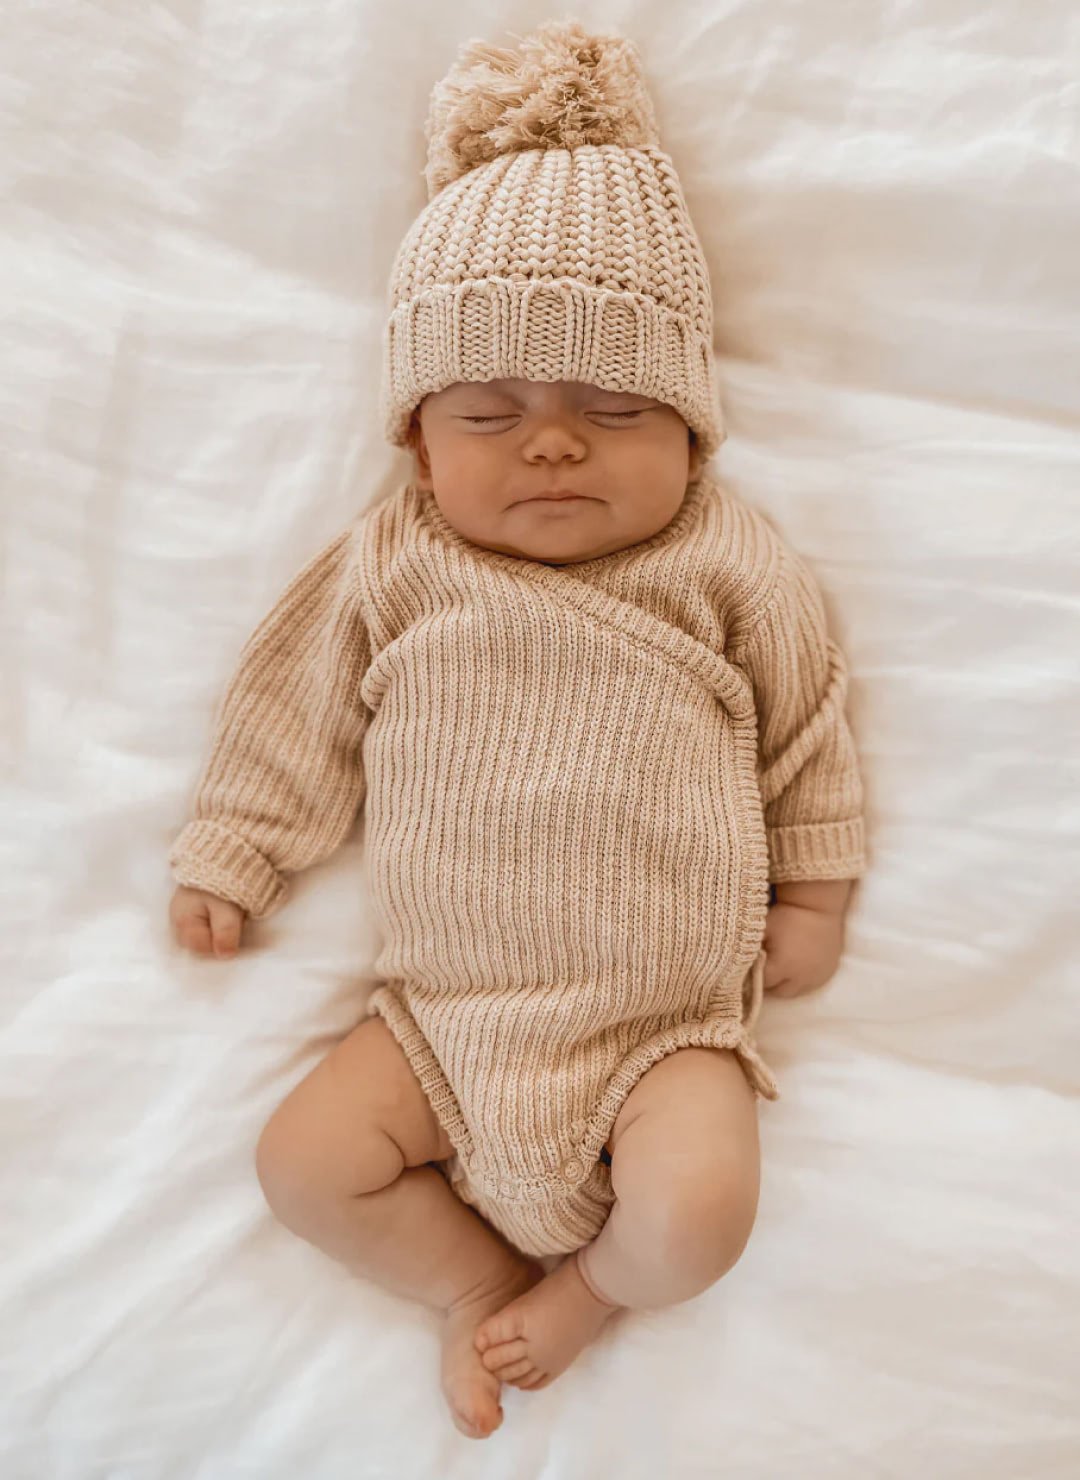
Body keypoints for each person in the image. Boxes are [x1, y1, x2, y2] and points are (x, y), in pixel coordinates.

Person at [168, 19, 867, 1442]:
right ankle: (476, 1289)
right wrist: (237, 847)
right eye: (491, 412)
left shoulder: (724, 562)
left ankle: (593, 1291)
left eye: (614, 406)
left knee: (698, 1215)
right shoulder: (395, 561)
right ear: (419, 446)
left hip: (660, 1032)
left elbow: (805, 727)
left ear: (693, 432)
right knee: (305, 1165)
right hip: (440, 1026)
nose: (553, 442)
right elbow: (292, 707)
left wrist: (815, 892)